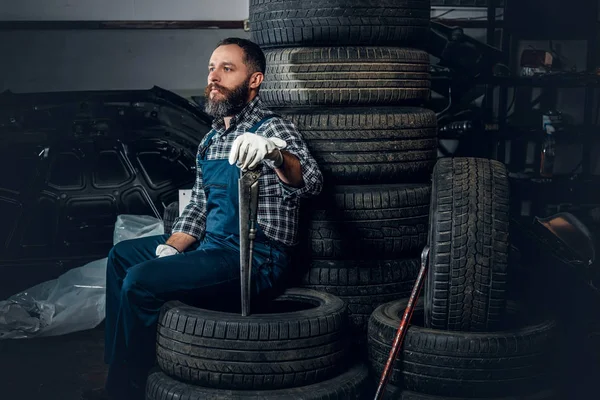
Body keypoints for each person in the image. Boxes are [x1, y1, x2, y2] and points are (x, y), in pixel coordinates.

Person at [83, 37, 323, 400]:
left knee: (140, 282)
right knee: (121, 259)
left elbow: (311, 182)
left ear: (254, 80)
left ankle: (131, 388)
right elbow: (197, 206)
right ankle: (118, 373)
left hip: (255, 256)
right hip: (213, 248)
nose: (214, 77)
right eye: (212, 68)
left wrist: (275, 155)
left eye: (227, 69)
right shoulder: (210, 140)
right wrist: (171, 248)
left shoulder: (273, 129)